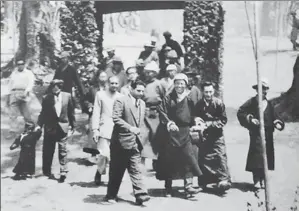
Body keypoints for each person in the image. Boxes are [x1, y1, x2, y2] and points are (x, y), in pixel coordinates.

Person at [156, 73, 203, 198]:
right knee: (169, 160)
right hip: (171, 132)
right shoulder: (168, 98)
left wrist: (197, 120)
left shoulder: (189, 98)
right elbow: (161, 111)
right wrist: (169, 123)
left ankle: (188, 187)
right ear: (174, 84)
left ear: (186, 84)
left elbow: (196, 113)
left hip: (186, 131)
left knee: (189, 157)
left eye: (182, 83)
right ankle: (168, 187)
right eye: (177, 83)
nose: (179, 86)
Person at [105, 80, 150, 205]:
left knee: (135, 168)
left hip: (135, 142)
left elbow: (141, 122)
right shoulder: (121, 100)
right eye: (138, 90)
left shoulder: (142, 103)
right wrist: (130, 128)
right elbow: (116, 118)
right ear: (131, 89)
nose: (140, 93)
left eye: (142, 91)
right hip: (120, 141)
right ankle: (111, 195)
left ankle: (140, 194)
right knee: (117, 170)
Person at [237, 79, 285, 189]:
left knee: (266, 156)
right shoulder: (252, 102)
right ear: (257, 90)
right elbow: (241, 112)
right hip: (256, 133)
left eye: (265, 89)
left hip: (268, 134)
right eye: (261, 89)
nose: (263, 91)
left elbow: (275, 117)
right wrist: (250, 119)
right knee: (256, 156)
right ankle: (256, 180)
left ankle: (263, 179)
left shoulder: (269, 104)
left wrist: (277, 123)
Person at [194, 81, 231, 193]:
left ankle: (223, 181)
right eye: (206, 92)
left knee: (220, 157)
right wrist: (196, 120)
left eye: (210, 92)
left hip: (217, 135)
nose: (208, 94)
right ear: (202, 92)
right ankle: (203, 183)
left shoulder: (219, 103)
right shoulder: (199, 104)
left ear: (213, 91)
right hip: (204, 136)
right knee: (204, 158)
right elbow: (195, 115)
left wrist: (208, 124)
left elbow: (223, 120)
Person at [36, 79, 75, 183]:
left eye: (56, 86)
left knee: (62, 150)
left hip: (63, 126)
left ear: (60, 86)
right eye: (52, 86)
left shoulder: (67, 96)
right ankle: (47, 171)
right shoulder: (46, 98)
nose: (54, 88)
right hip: (50, 127)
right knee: (48, 150)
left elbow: (71, 112)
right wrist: (39, 125)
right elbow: (43, 113)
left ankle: (63, 171)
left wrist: (73, 125)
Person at [91, 76, 122, 185]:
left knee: (114, 156)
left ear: (119, 85)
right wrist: (95, 129)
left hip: (117, 129)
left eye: (116, 83)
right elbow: (96, 112)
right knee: (103, 154)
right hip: (104, 127)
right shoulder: (100, 95)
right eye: (112, 83)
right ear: (108, 84)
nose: (114, 85)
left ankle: (112, 178)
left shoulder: (121, 97)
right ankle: (99, 172)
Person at [142, 61, 167, 167]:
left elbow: (164, 97)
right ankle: (141, 161)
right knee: (143, 136)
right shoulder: (143, 84)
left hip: (156, 113)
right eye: (146, 72)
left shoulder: (159, 84)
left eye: (150, 72)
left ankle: (157, 161)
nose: (147, 75)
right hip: (145, 112)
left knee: (156, 136)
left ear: (155, 73)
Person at [6, 60, 36, 139]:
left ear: (24, 64)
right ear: (17, 65)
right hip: (14, 93)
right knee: (13, 115)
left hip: (24, 93)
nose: (20, 66)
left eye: (22, 64)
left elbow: (31, 83)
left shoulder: (28, 73)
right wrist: (9, 95)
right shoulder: (14, 73)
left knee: (26, 114)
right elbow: (10, 84)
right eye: (19, 64)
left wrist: (26, 92)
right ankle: (12, 131)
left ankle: (30, 129)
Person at [82, 71, 108, 159]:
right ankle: (93, 154)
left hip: (106, 114)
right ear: (98, 78)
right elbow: (85, 100)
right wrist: (89, 105)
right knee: (93, 133)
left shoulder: (109, 88)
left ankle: (104, 155)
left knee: (105, 133)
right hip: (94, 113)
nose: (103, 79)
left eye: (105, 77)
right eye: (101, 77)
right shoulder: (92, 89)